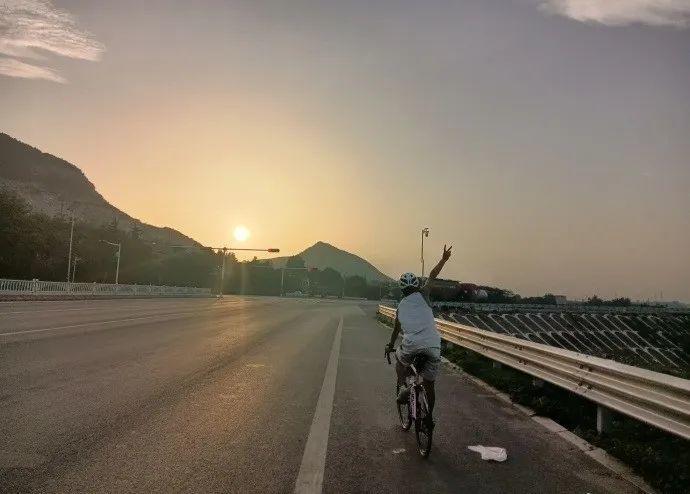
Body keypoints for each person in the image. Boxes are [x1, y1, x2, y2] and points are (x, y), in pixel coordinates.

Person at [385, 245, 452, 429]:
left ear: (402, 290)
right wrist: (444, 259)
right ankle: (428, 417)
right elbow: (432, 275)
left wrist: (390, 346)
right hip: (433, 345)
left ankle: (403, 388)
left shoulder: (400, 307)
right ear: (416, 285)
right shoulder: (424, 294)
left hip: (412, 345)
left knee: (400, 361)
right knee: (429, 385)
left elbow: (395, 332)